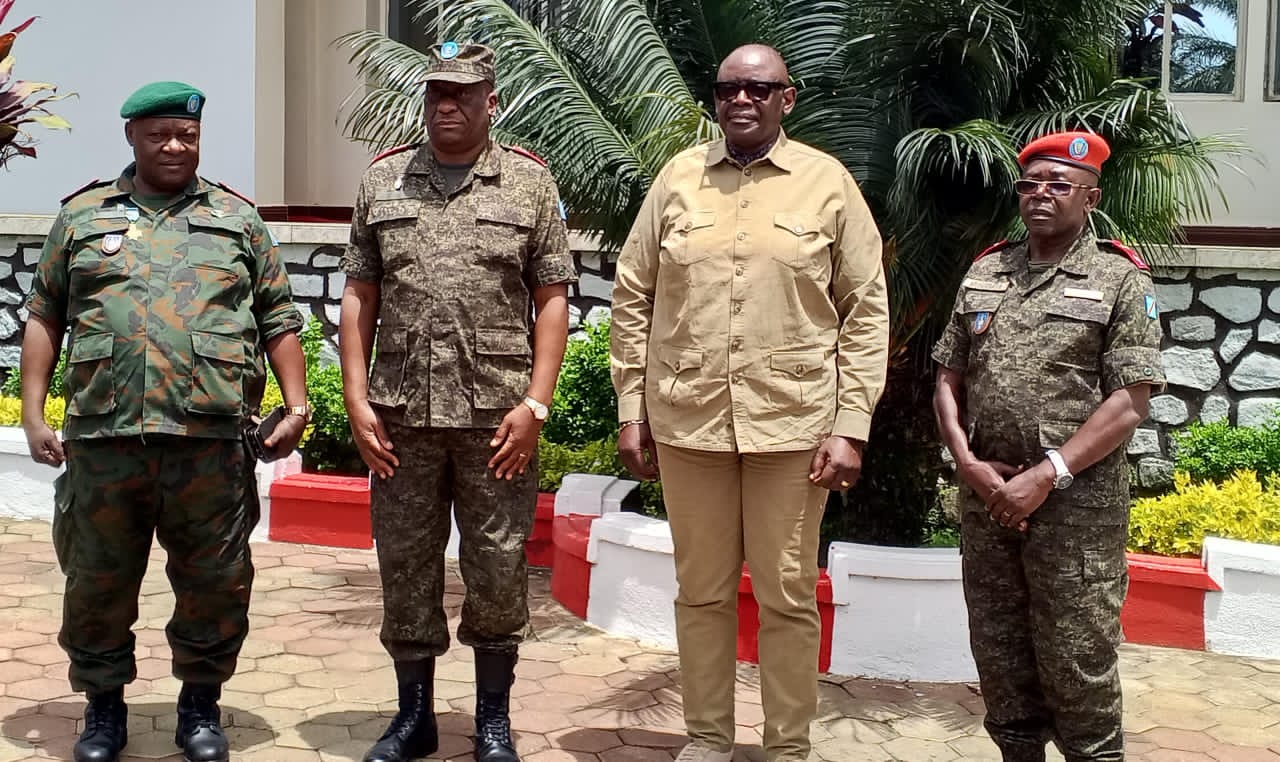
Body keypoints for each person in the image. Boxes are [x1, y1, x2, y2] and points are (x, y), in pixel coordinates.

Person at [610, 44, 890, 762]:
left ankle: (786, 747)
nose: (741, 99)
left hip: (792, 428)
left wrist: (851, 425)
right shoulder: (678, 179)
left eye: (759, 89)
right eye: (728, 87)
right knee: (700, 592)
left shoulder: (826, 183)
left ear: (786, 98)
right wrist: (631, 408)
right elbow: (633, 295)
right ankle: (707, 739)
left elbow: (865, 309)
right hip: (689, 422)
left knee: (787, 595)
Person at [20, 81, 308, 762]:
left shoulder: (237, 219)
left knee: (216, 580)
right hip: (105, 441)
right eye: (159, 135)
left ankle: (200, 707)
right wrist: (33, 413)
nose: (174, 146)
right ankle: (103, 709)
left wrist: (297, 405)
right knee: (97, 579)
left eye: (186, 135)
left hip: (210, 442)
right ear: (132, 137)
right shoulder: (82, 217)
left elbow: (278, 317)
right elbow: (45, 315)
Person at [339, 41, 575, 762]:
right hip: (401, 417)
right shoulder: (383, 181)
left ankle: (492, 721)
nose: (447, 105)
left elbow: (552, 299)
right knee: (405, 562)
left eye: (463, 94)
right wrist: (355, 397)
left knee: (498, 565)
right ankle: (414, 719)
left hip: (496, 420)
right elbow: (360, 294)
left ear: (490, 103)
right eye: (437, 93)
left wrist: (536, 406)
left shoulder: (530, 184)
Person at [932, 131, 1165, 762]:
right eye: (1030, 185)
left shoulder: (1120, 279)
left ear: (1091, 198)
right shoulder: (987, 270)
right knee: (1000, 655)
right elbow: (949, 376)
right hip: (989, 503)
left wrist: (1047, 473)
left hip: (1075, 513)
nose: (1040, 195)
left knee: (1077, 659)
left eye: (1059, 185)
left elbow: (1129, 401)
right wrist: (968, 463)